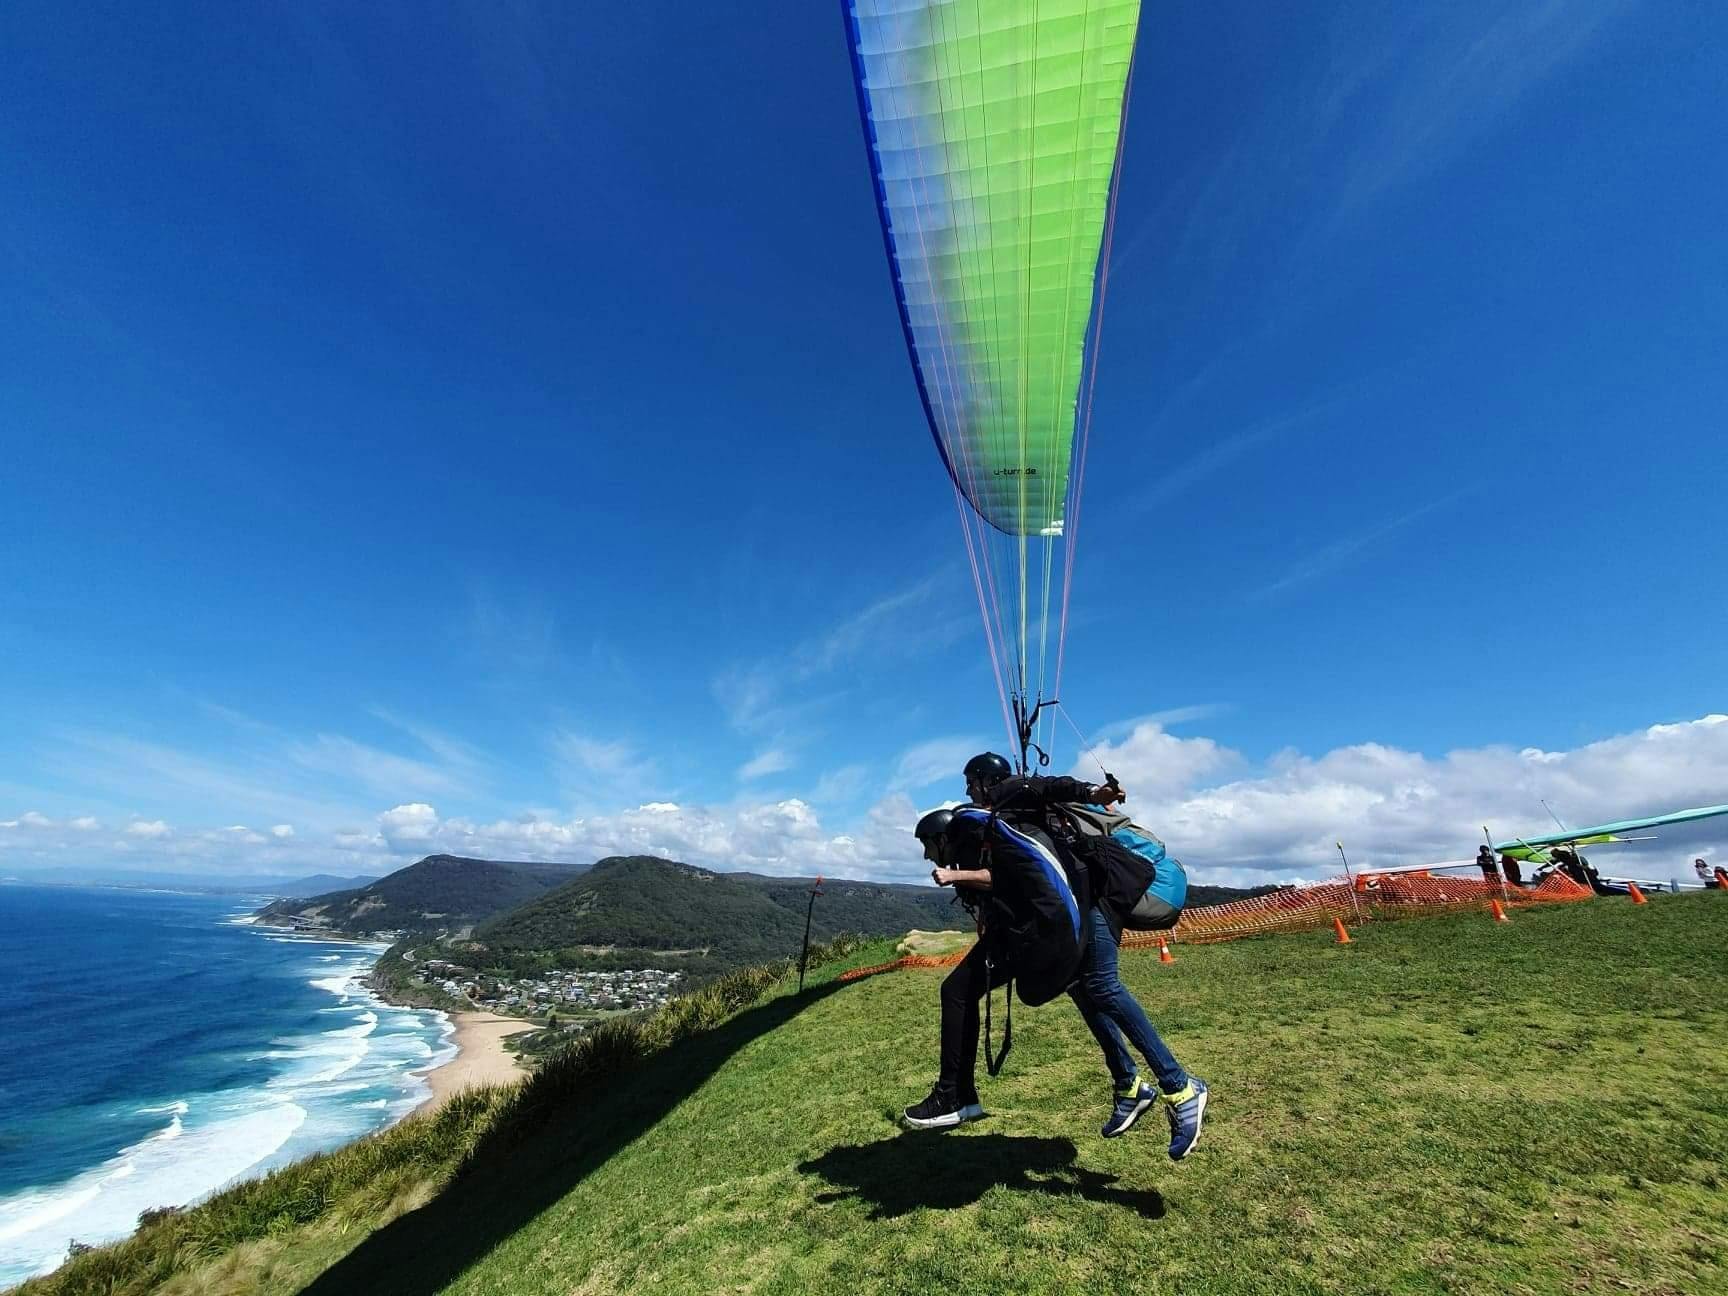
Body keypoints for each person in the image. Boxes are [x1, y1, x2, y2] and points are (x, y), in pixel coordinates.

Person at [950, 753, 1210, 1159]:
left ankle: (1181, 1088)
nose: (967, 790)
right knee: (1080, 987)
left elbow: (1052, 785)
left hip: (1098, 897)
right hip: (1086, 899)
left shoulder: (1011, 795)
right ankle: (1128, 1085)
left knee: (1103, 987)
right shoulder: (1011, 823)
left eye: (970, 782)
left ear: (987, 780)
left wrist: (1095, 791)